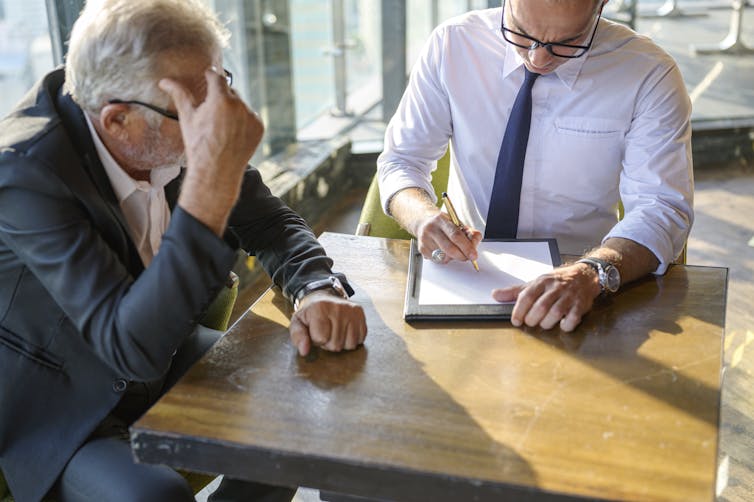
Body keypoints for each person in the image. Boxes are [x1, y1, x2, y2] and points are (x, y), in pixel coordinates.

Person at [0, 0, 367, 500]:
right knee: (155, 496)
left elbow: (269, 221)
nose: (220, 116)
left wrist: (316, 288)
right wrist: (210, 189)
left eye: (221, 84)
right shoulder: (25, 175)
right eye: (197, 107)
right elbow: (130, 350)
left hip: (163, 354)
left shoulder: (165, 117)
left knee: (292, 408)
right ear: (117, 122)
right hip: (62, 403)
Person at [377, 0, 693, 332]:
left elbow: (662, 208)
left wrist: (591, 272)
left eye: (567, 43)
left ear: (602, 6)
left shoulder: (649, 73)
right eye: (522, 34)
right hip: (466, 271)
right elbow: (402, 160)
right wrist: (423, 217)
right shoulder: (453, 45)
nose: (537, 58)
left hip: (580, 285)